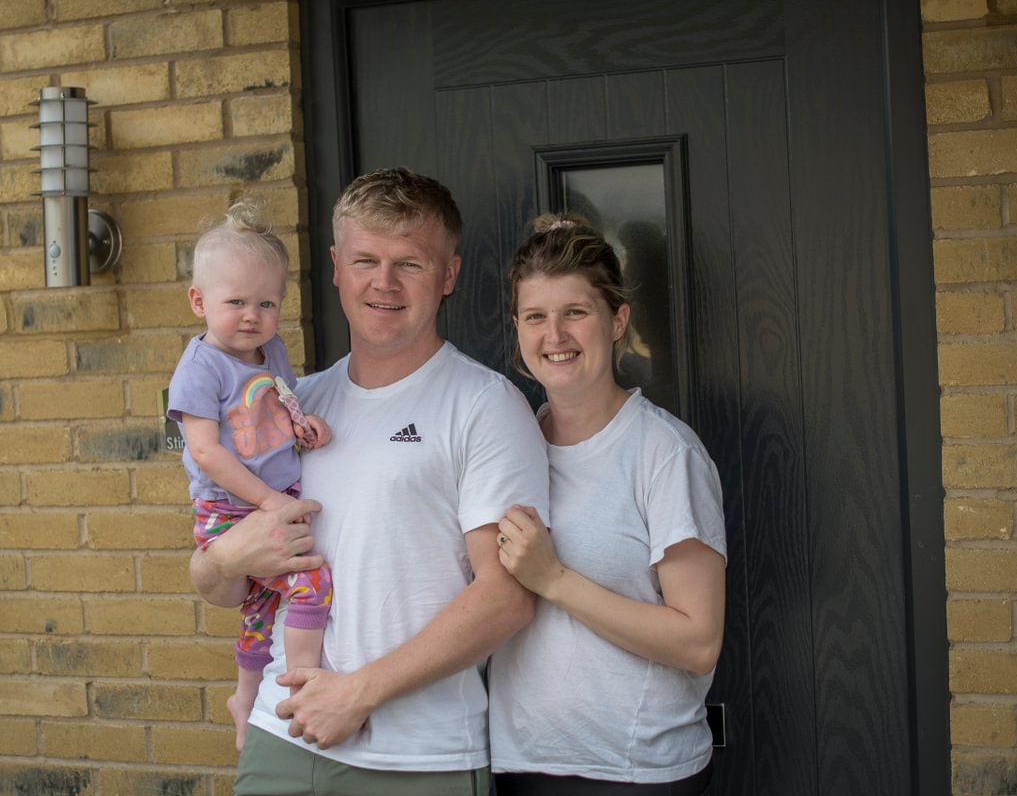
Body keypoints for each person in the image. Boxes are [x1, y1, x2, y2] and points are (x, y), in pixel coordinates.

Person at [189, 168, 550, 795]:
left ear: (449, 275)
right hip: (284, 733)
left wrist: (359, 693)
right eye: (364, 260)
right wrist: (226, 556)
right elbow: (221, 586)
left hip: (418, 757)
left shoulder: (485, 406)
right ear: (335, 266)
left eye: (409, 263)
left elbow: (508, 596)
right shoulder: (293, 402)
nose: (383, 283)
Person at [489, 214, 727, 795]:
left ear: (617, 320)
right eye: (537, 317)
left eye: (576, 313)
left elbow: (698, 643)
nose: (556, 336)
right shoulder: (504, 443)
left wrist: (554, 580)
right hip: (520, 765)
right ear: (517, 328)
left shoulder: (664, 454)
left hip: (635, 772)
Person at [167, 201, 334, 752]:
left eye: (266, 302)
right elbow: (207, 452)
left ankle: (245, 696)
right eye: (235, 302)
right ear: (198, 301)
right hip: (230, 506)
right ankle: (303, 681)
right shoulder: (200, 367)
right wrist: (268, 502)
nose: (251, 315)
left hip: (271, 497)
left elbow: (281, 402)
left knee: (261, 610)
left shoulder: (272, 350)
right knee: (312, 582)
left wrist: (305, 426)